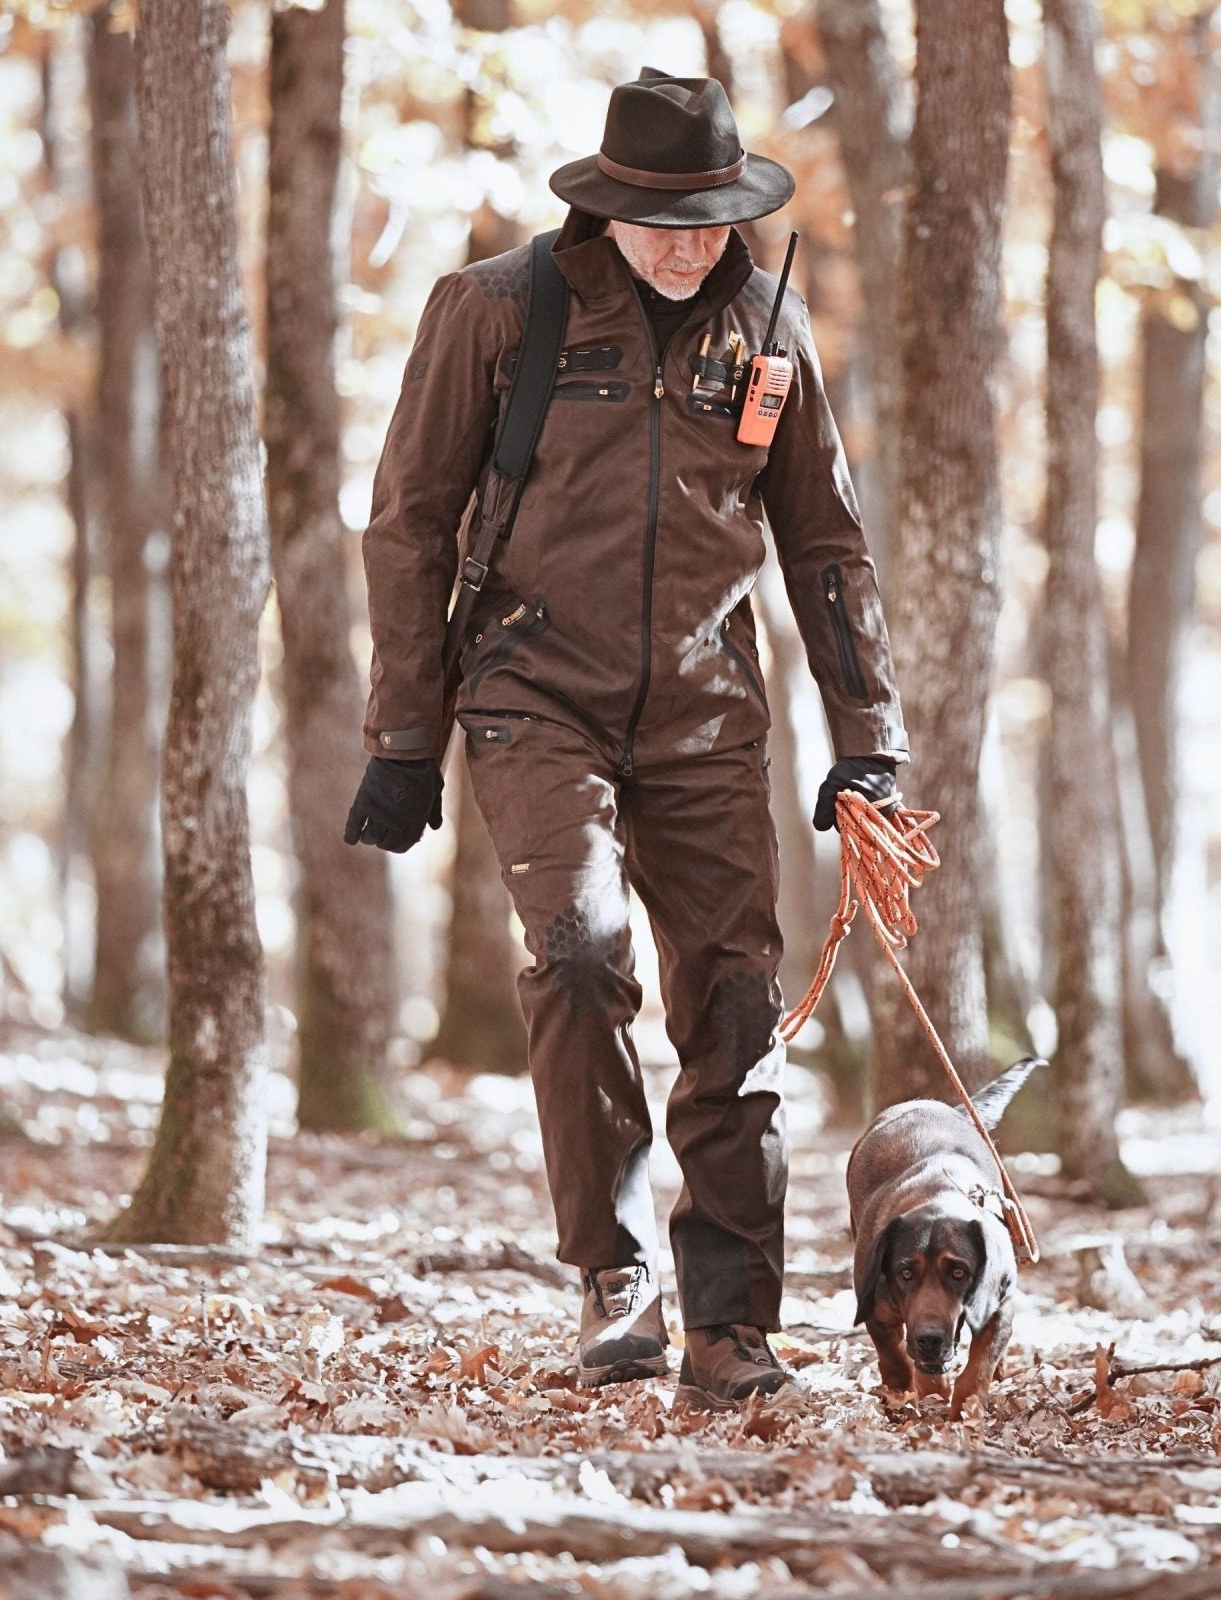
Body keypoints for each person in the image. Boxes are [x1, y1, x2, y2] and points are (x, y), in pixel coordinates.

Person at [345, 69, 908, 1410]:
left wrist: (867, 734)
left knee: (734, 1003)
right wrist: (404, 734)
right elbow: (407, 521)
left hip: (710, 715)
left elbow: (826, 544)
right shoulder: (498, 309)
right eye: (660, 221)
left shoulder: (768, 326)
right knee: (582, 956)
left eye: (708, 222)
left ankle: (731, 1327)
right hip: (536, 692)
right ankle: (614, 1272)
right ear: (607, 205)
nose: (685, 247)